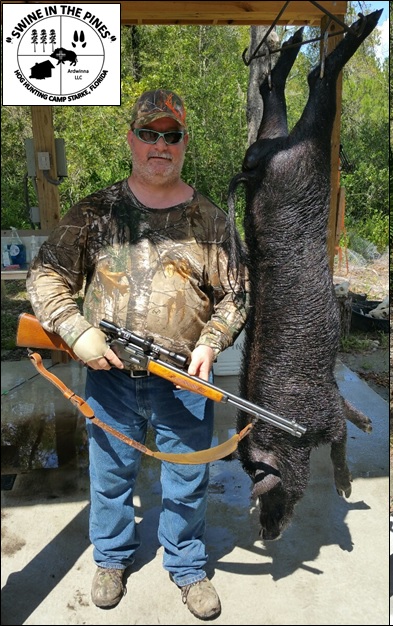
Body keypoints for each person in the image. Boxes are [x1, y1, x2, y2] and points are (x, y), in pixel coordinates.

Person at [26, 89, 247, 620]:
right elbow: (46, 277)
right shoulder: (95, 212)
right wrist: (76, 331)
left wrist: (211, 341)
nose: (159, 145)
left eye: (171, 136)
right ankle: (111, 558)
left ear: (184, 144)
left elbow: (239, 294)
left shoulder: (213, 222)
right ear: (132, 139)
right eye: (149, 133)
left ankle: (188, 565)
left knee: (188, 478)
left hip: (183, 380)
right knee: (110, 476)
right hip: (111, 378)